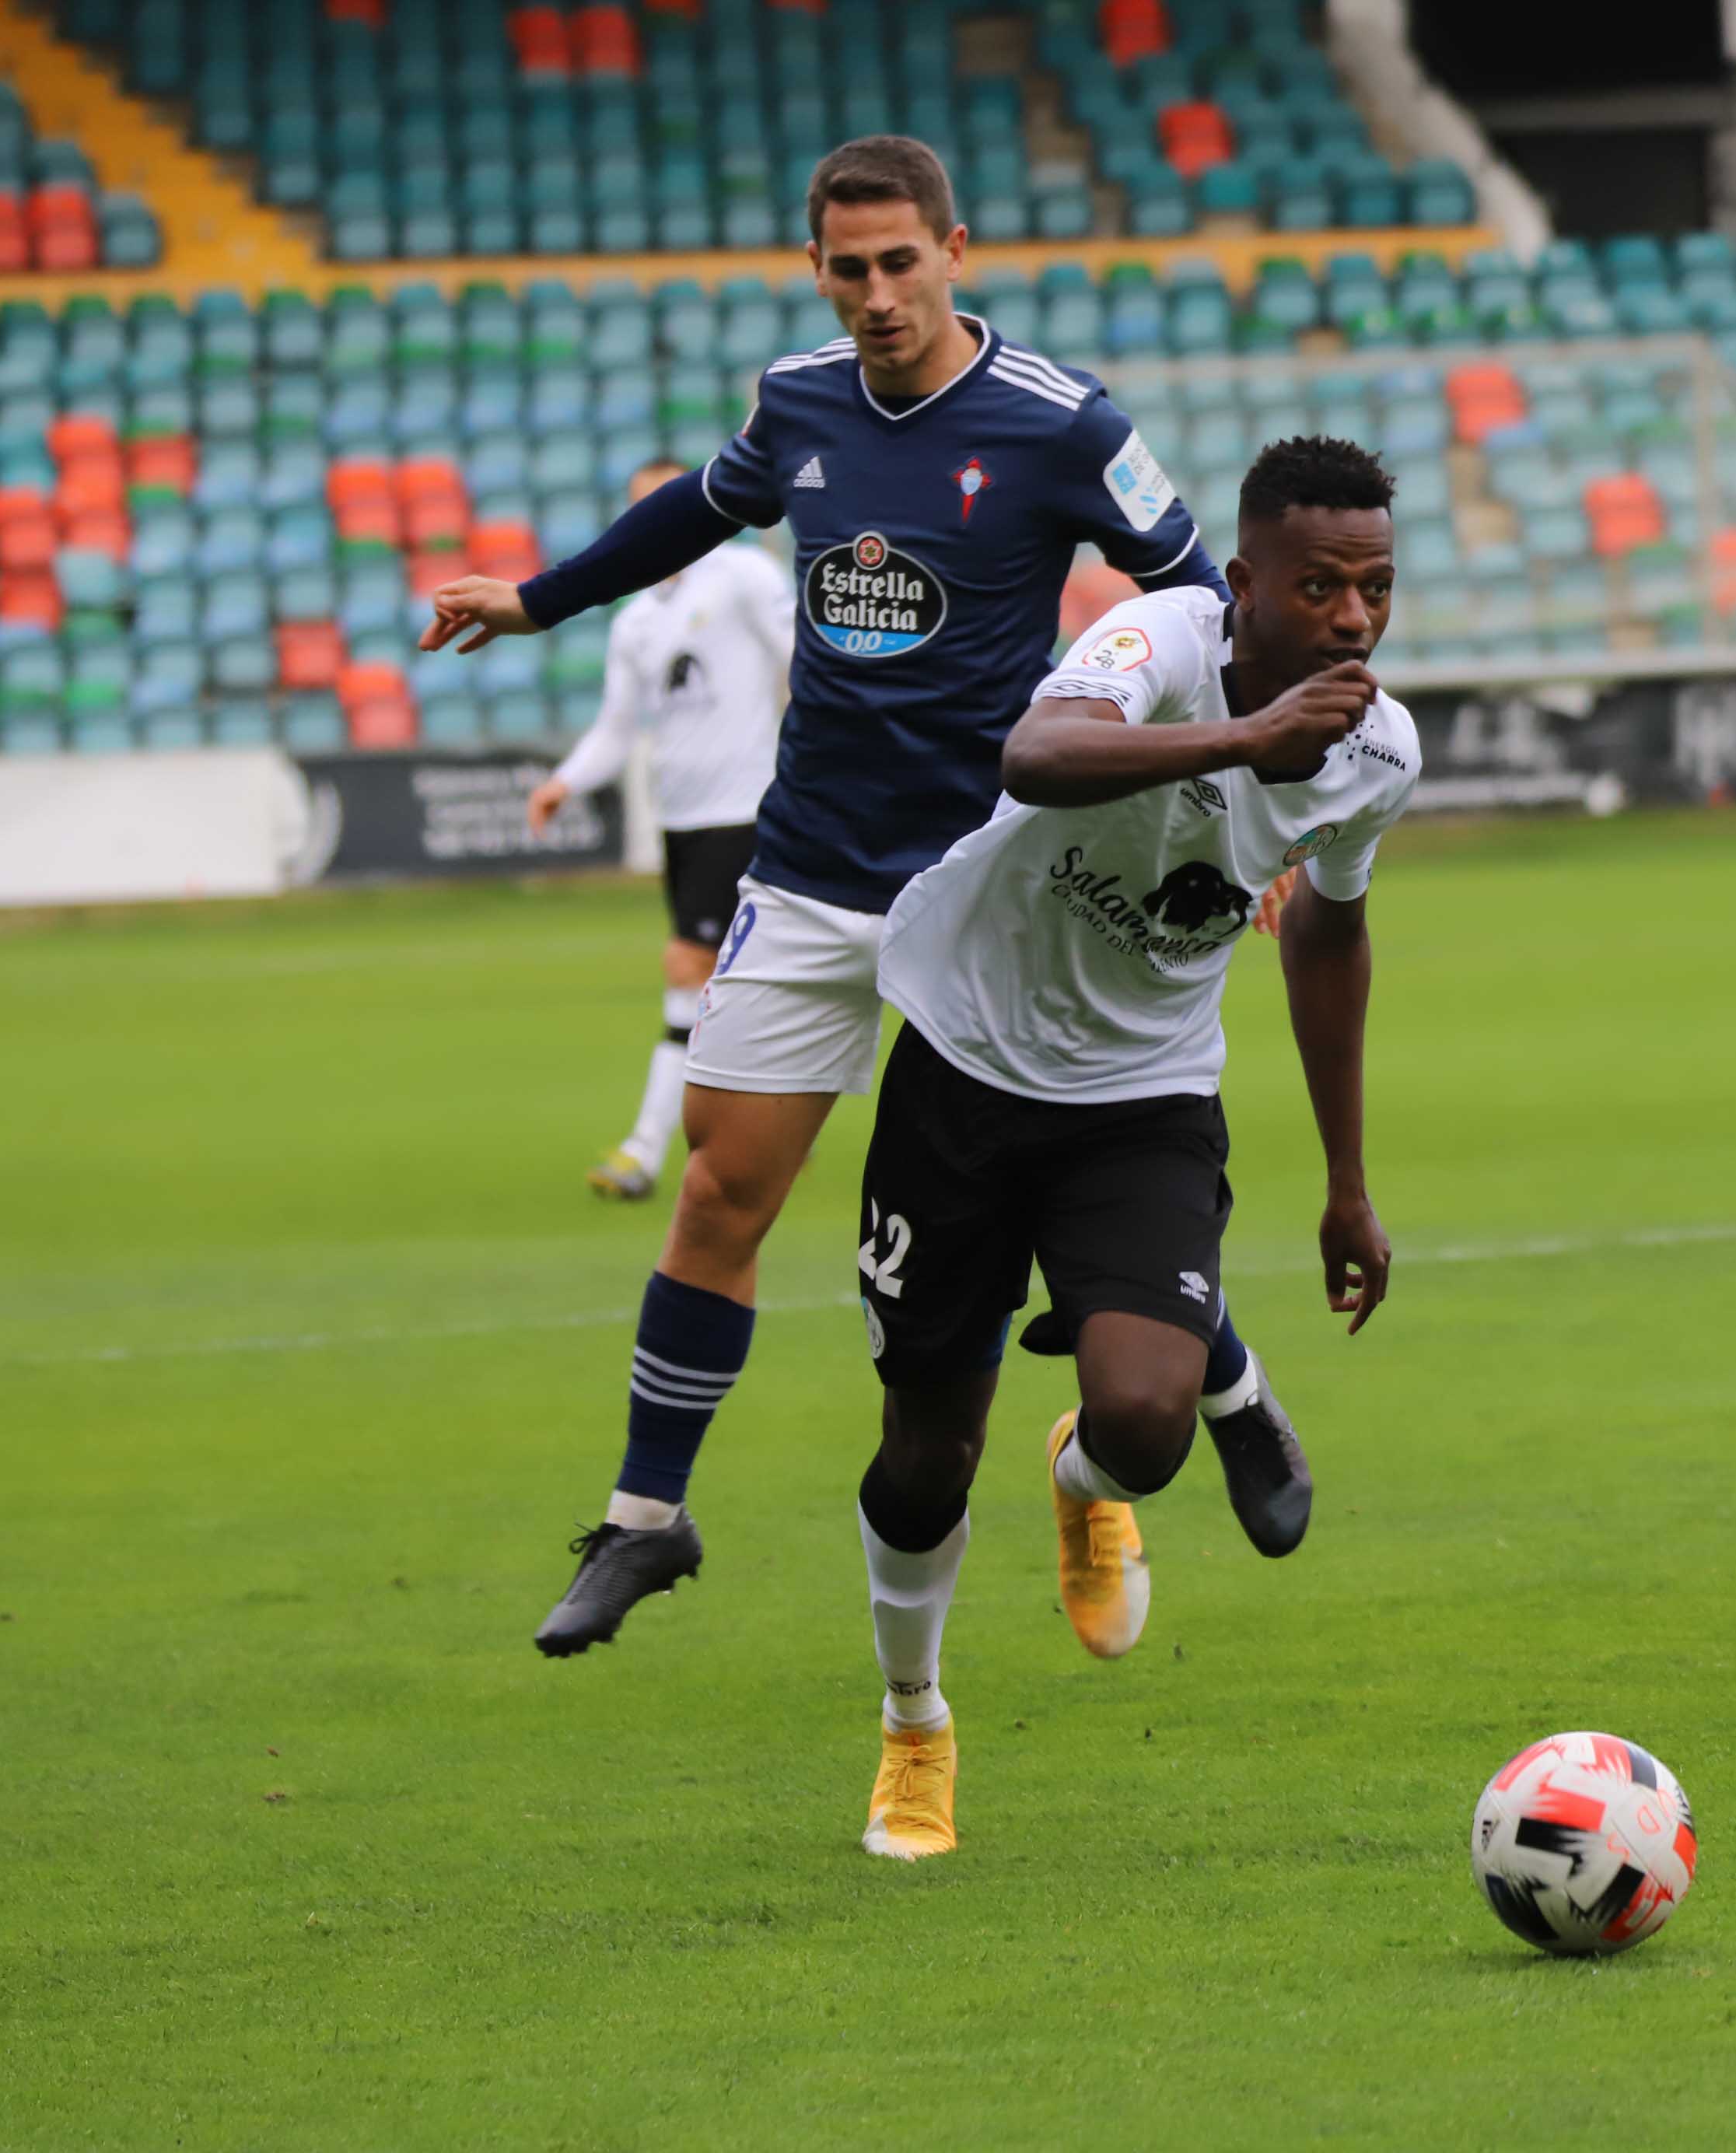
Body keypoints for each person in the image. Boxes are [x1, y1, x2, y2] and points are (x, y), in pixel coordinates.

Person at [417, 135, 1315, 1659]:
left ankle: (1213, 1373)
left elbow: (1204, 609)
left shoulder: (1063, 424)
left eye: (905, 263)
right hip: (820, 863)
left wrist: (1250, 812)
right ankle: (647, 1519)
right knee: (719, 1186)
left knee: (1053, 1174)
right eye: (852, 270)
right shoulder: (798, 398)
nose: (881, 295)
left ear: (954, 249)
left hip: (998, 885)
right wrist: (537, 596)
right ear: (818, 271)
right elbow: (698, 508)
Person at [850, 435, 1417, 1860]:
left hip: (1144, 1097)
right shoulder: (1158, 640)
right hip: (965, 1064)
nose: (1351, 619)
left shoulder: (1379, 751)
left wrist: (1348, 1186)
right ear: (1244, 586)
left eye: (1377, 589)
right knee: (923, 1449)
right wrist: (1242, 742)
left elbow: (1332, 936)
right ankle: (915, 1722)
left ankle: (1086, 1482)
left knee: (1147, 1419)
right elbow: (1035, 757)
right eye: (1319, 587)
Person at [523, 459, 795, 1200]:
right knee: (734, 987)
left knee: (690, 970)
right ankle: (743, 1140)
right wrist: (564, 782)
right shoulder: (636, 621)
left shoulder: (743, 578)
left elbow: (803, 661)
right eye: (648, 507)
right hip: (681, 822)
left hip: (746, 807)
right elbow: (616, 730)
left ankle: (646, 1151)